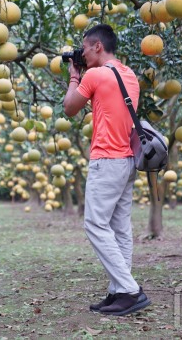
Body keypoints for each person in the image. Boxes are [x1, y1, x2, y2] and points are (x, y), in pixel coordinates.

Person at [63, 24, 151, 316]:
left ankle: (129, 289)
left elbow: (69, 108)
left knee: (95, 225)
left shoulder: (94, 74)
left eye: (85, 48)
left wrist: (73, 77)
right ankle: (117, 292)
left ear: (97, 46)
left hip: (107, 160)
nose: (83, 53)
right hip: (126, 160)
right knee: (120, 228)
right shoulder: (129, 76)